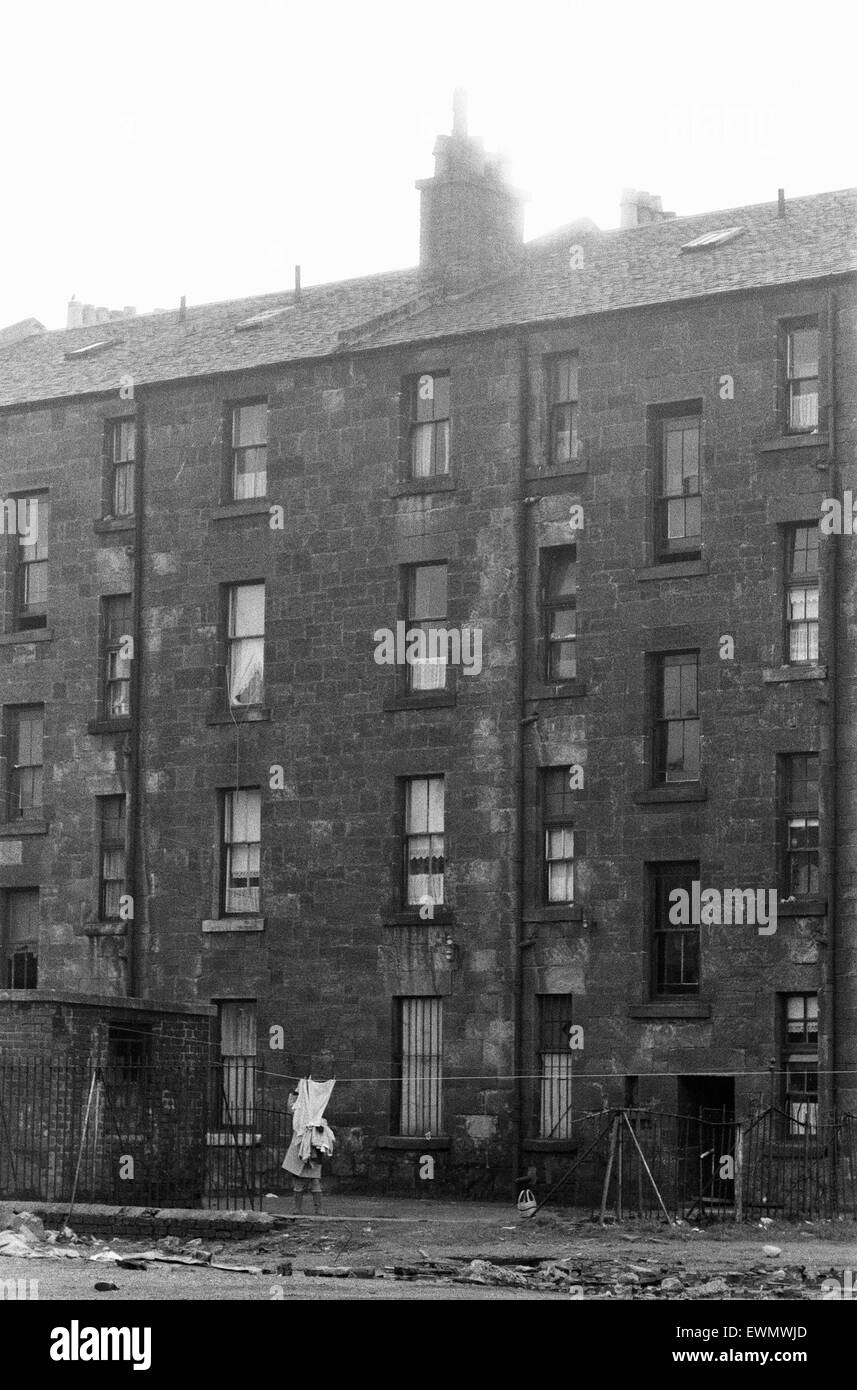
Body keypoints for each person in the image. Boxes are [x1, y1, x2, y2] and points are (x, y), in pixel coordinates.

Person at [282, 1079, 335, 1215]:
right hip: (299, 1147)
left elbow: (324, 1132)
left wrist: (319, 1129)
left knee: (315, 1181)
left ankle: (319, 1208)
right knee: (298, 1180)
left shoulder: (319, 1113)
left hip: (314, 1150)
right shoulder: (299, 1113)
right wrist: (297, 1090)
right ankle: (297, 1208)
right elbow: (291, 1107)